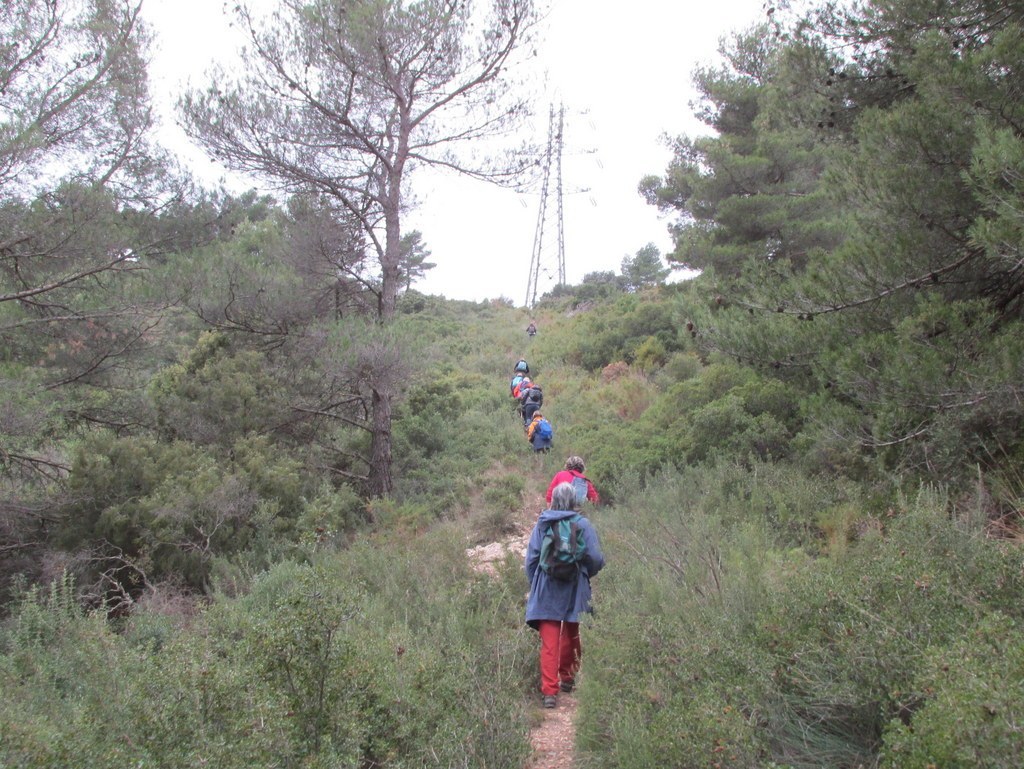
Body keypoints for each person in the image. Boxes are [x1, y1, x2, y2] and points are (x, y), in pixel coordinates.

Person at [525, 482, 605, 708]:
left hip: (547, 587)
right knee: (572, 634)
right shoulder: (583, 524)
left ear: (553, 499)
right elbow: (596, 558)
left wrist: (536, 583)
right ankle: (568, 679)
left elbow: (531, 559)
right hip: (575, 585)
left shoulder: (543, 523)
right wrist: (586, 573)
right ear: (574, 501)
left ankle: (550, 693)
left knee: (549, 642)